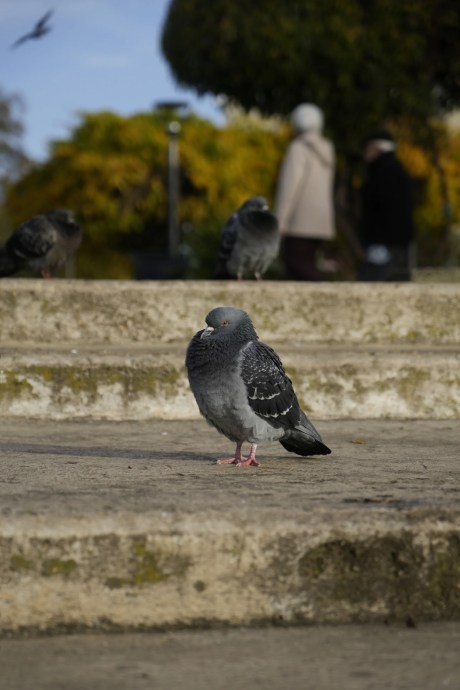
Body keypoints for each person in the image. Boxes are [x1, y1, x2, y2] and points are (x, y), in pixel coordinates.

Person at [275, 103, 336, 280]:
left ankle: (327, 298)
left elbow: (289, 188)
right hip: (321, 221)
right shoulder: (327, 149)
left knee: (296, 265)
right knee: (306, 264)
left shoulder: (298, 148)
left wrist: (279, 222)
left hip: (300, 221)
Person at [358, 129, 414, 281]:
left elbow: (382, 210)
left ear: (377, 148)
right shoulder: (396, 170)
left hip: (383, 245)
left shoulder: (381, 173)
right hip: (395, 243)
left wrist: (375, 239)